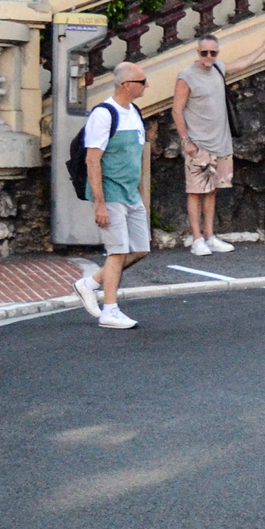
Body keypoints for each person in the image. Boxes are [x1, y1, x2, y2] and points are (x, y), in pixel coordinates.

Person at [74, 63, 153, 331]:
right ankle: (110, 310)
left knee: (140, 249)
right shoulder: (104, 114)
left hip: (131, 194)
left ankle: (91, 283)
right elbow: (92, 161)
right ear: (126, 85)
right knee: (117, 252)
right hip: (111, 193)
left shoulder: (135, 112)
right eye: (143, 81)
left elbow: (137, 159)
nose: (147, 85)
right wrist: (100, 204)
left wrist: (142, 197)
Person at [171, 35, 235, 256]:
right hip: (199, 143)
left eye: (213, 53)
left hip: (221, 142)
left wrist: (264, 48)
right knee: (196, 191)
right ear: (197, 52)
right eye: (204, 52)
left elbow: (241, 63)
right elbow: (177, 109)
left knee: (213, 190)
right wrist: (186, 141)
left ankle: (210, 235)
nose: (208, 57)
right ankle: (197, 238)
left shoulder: (218, 69)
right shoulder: (187, 76)